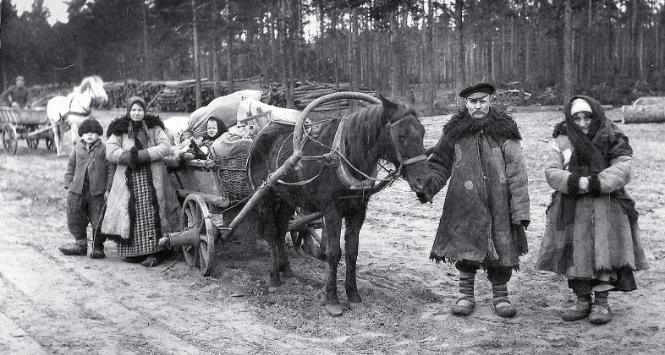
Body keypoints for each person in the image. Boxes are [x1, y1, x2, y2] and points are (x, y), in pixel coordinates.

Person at [420, 83, 531, 318]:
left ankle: (501, 297)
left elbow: (517, 172)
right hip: (464, 202)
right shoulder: (454, 132)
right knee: (464, 247)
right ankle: (465, 295)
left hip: (499, 204)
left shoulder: (505, 130)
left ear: (490, 101)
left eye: (482, 101)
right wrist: (427, 187)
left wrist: (520, 210)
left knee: (501, 248)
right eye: (473, 102)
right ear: (466, 104)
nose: (477, 105)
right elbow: (439, 163)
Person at [536, 96, 649, 325]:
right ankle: (581, 300)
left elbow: (623, 167)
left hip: (606, 203)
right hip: (572, 204)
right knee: (575, 252)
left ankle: (602, 302)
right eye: (576, 118)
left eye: (586, 116)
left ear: (595, 114)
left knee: (603, 250)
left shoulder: (612, 135)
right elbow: (551, 170)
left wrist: (596, 183)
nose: (583, 122)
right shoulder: (563, 138)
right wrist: (577, 183)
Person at [101, 96, 180, 267]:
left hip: (151, 177)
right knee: (130, 213)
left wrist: (145, 155)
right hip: (128, 178)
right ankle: (134, 252)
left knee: (151, 212)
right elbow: (110, 151)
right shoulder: (119, 129)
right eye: (134, 110)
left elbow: (166, 146)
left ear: (144, 111)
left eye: (140, 110)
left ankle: (155, 252)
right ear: (129, 111)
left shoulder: (154, 127)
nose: (137, 113)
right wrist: (128, 156)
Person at [59, 118, 111, 258]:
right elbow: (71, 167)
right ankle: (80, 245)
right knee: (75, 216)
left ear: (98, 134)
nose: (89, 135)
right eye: (86, 133)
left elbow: (110, 168)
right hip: (77, 190)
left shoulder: (104, 149)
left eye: (93, 133)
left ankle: (98, 247)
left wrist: (108, 188)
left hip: (97, 191)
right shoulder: (77, 149)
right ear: (81, 134)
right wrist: (68, 184)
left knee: (98, 217)